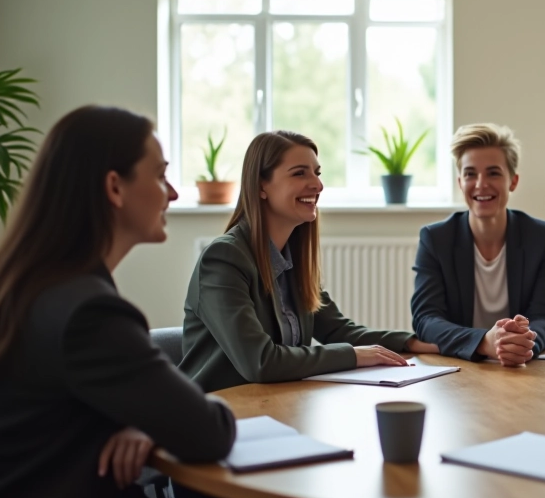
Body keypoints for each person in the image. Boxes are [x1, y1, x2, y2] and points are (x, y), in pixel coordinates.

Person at [0, 106, 236, 498]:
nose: (171, 193)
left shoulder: (27, 287)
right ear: (115, 188)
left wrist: (147, 422)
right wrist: (169, 420)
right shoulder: (90, 313)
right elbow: (210, 432)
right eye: (159, 175)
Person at [180, 131, 438, 393]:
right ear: (261, 187)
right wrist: (355, 356)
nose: (317, 184)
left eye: (317, 173)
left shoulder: (291, 261)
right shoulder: (224, 259)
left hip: (277, 404)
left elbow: (339, 332)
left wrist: (412, 342)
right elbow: (260, 362)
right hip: (219, 412)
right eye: (299, 173)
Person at [411, 123, 545, 365]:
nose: (481, 184)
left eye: (493, 173)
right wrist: (485, 342)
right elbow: (426, 319)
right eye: (471, 174)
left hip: (521, 365)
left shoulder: (542, 237)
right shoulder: (435, 239)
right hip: (460, 364)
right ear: (460, 182)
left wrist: (523, 343)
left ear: (513, 181)